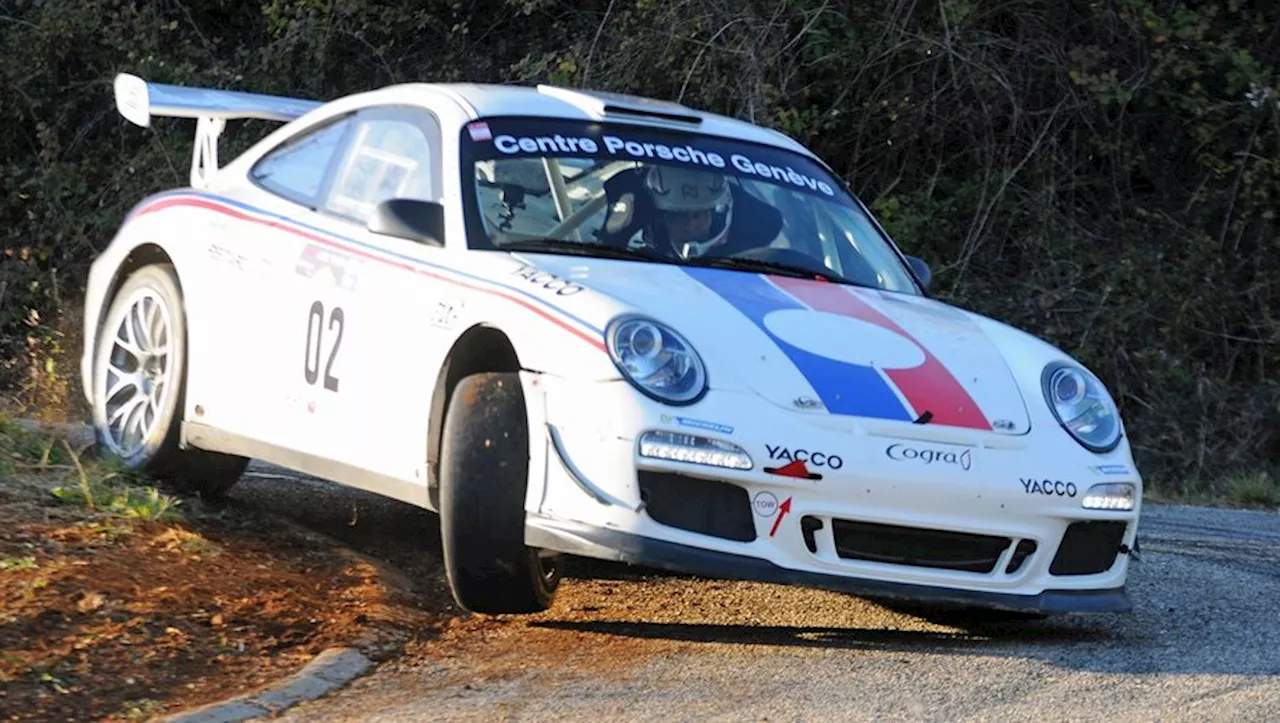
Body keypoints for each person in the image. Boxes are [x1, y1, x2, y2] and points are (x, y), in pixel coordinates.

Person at [598, 164, 736, 259]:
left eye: (698, 215)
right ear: (661, 220)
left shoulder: (745, 259)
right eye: (678, 216)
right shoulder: (635, 263)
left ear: (714, 216)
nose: (690, 226)